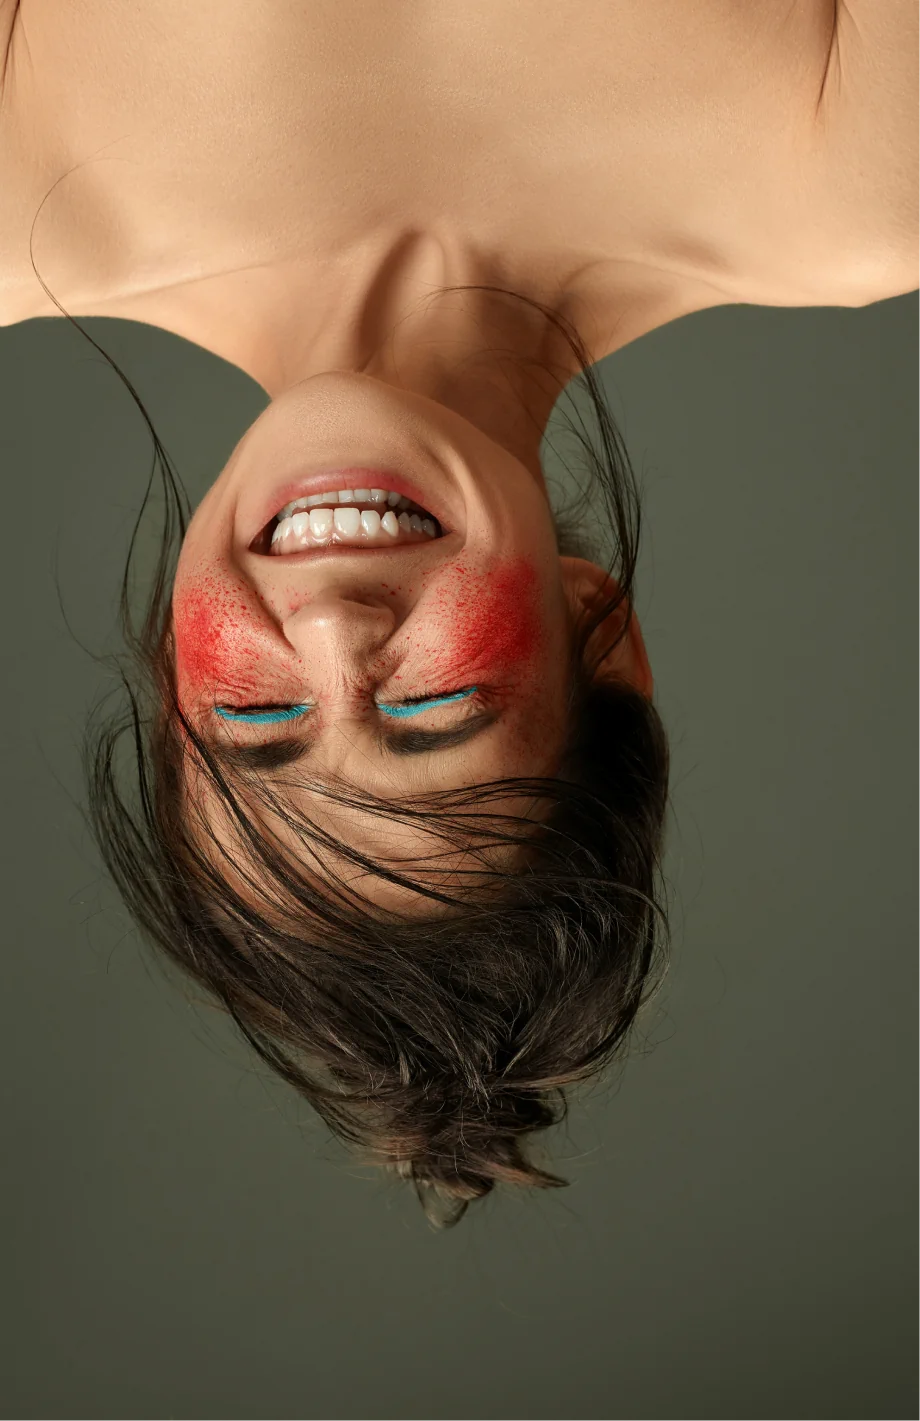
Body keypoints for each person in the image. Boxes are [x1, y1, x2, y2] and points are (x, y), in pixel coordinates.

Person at [1, 0, 914, 1228]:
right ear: (599, 633)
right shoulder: (855, 180)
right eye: (427, 704)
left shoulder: (16, 187)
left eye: (260, 715)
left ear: (173, 667)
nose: (332, 630)